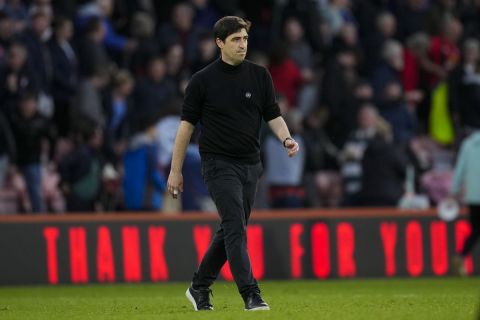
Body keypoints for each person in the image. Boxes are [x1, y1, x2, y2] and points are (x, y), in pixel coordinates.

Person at [167, 16, 299, 311]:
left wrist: (286, 139)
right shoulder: (202, 81)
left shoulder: (260, 75)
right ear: (219, 43)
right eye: (236, 40)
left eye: (245, 39)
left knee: (231, 229)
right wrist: (175, 171)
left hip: (251, 165)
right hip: (218, 164)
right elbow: (185, 128)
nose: (243, 45)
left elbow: (273, 115)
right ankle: (251, 294)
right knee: (235, 227)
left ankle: (199, 286)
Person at [450, 130, 480, 276]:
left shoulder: (468, 144)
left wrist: (453, 191)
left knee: (476, 230)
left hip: (473, 196)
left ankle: (461, 256)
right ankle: (461, 256)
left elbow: (460, 169)